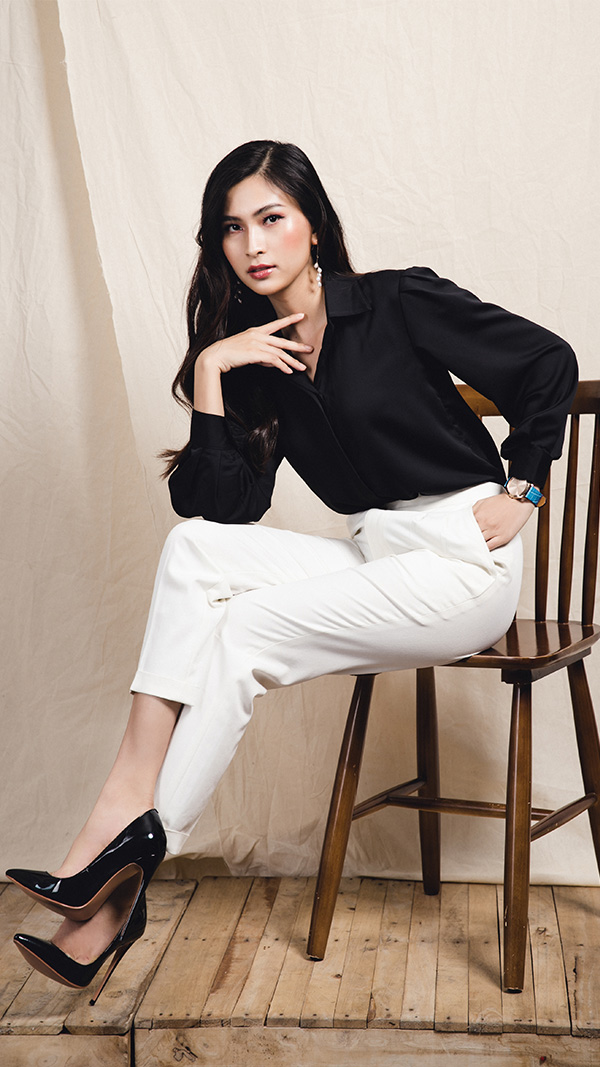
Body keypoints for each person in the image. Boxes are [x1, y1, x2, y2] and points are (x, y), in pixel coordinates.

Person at [7, 140, 578, 1001]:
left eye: (271, 217)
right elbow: (222, 508)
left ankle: (135, 853)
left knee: (245, 628)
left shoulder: (395, 301)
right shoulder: (258, 358)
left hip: (463, 563)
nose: (253, 243)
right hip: (374, 553)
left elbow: (547, 362)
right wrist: (213, 369)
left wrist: (524, 487)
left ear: (313, 225)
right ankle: (117, 822)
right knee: (193, 552)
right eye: (232, 227)